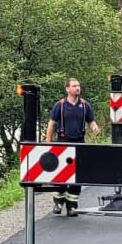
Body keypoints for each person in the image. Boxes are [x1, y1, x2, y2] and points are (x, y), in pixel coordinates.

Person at [43, 77, 99, 216]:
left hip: (79, 143)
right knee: (60, 175)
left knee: (77, 176)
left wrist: (95, 127)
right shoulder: (60, 106)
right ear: (67, 89)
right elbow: (51, 125)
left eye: (78, 86)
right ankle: (58, 202)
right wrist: (48, 145)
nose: (77, 88)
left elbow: (91, 121)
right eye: (74, 86)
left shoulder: (85, 105)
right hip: (62, 143)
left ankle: (72, 206)